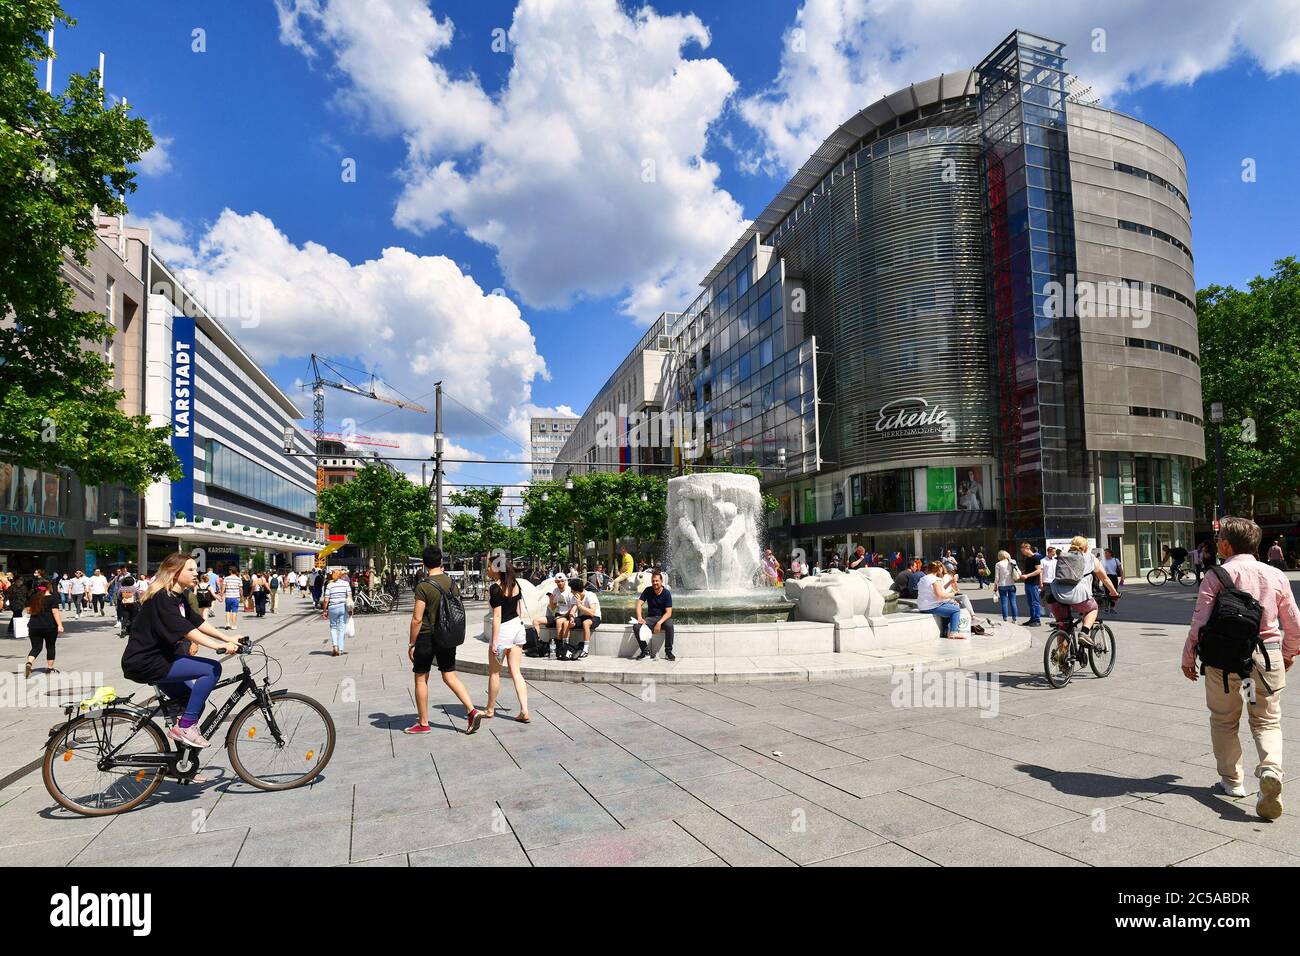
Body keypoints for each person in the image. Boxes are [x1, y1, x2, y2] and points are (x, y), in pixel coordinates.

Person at [1182, 516, 1300, 818]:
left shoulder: (1216, 576)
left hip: (1224, 663)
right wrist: (1287, 654)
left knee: (1224, 720)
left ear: (1224, 545)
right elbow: (1294, 624)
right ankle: (1270, 770)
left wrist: (1188, 657)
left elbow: (1200, 621)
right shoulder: (1275, 576)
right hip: (1265, 660)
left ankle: (1233, 782)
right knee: (1266, 721)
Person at [120, 553, 242, 749]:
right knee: (211, 670)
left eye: (196, 569)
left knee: (193, 702)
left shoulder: (179, 596)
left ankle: (180, 762)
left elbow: (198, 622)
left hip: (161, 659)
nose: (196, 573)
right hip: (147, 661)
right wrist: (218, 646)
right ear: (175, 573)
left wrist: (228, 638)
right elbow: (186, 629)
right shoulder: (163, 598)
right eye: (191, 570)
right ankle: (185, 727)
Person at [406, 546, 481, 735]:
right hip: (447, 635)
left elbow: (417, 618)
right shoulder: (451, 583)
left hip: (426, 637)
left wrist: (411, 643)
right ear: (441, 561)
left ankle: (423, 723)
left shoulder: (423, 586)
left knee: (421, 678)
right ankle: (471, 710)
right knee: (449, 674)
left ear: (423, 563)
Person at [1045, 536, 1119, 645]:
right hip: (1079, 596)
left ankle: (1060, 656)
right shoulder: (1090, 558)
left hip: (1056, 595)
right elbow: (1104, 578)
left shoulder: (1063, 557)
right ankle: (1084, 633)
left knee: (1063, 627)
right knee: (1092, 608)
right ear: (1085, 547)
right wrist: (1114, 593)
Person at [483, 555, 531, 722]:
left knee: (494, 673)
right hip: (517, 629)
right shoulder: (515, 584)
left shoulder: (495, 588)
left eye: (489, 566)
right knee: (516, 672)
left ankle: (490, 709)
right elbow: (519, 611)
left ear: (496, 569)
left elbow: (497, 617)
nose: (487, 569)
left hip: (503, 632)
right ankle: (524, 710)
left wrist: (495, 642)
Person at [916, 561, 965, 637]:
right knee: (956, 610)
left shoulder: (922, 578)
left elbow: (933, 595)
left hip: (922, 606)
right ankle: (954, 632)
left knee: (950, 606)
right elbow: (940, 595)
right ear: (938, 570)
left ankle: (945, 631)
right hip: (931, 607)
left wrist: (949, 601)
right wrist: (953, 595)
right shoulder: (935, 579)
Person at [634, 570, 675, 660]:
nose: (655, 583)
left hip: (663, 618)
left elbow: (669, 613)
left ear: (661, 581)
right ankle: (645, 651)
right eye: (653, 581)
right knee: (636, 627)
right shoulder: (648, 590)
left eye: (657, 581)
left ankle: (668, 651)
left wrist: (659, 623)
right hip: (651, 619)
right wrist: (640, 617)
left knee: (669, 624)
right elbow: (638, 604)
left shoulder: (666, 593)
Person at [23, 585, 62, 678]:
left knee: (36, 647)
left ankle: (29, 663)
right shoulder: (53, 598)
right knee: (50, 646)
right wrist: (60, 625)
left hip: (34, 626)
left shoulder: (33, 597)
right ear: (48, 588)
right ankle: (50, 668)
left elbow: (28, 611)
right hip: (50, 626)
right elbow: (55, 612)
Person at [321, 568, 352, 656]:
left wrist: (324, 611)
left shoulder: (329, 585)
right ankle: (341, 649)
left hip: (332, 608)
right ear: (341, 575)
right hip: (343, 607)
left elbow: (326, 600)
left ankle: (335, 646)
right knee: (341, 628)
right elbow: (349, 597)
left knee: (333, 627)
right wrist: (350, 610)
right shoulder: (346, 584)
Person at [567, 576, 600, 659]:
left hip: (595, 617)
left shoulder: (590, 595)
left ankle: (585, 649)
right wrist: (571, 618)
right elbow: (572, 611)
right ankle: (565, 645)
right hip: (583, 617)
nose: (571, 592)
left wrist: (579, 605)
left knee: (586, 623)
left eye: (572, 590)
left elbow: (592, 612)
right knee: (566, 623)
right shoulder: (575, 597)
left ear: (577, 591)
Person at [1018, 542, 1043, 627]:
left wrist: (1027, 575)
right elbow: (1029, 570)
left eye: (1023, 550)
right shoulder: (1027, 559)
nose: (1022, 552)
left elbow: (1039, 570)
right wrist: (1022, 573)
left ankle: (1037, 620)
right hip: (1028, 583)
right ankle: (1032, 619)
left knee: (1035, 602)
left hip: (1033, 583)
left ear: (1028, 548)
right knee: (1030, 602)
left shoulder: (1035, 558)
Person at [994, 550, 1019, 623]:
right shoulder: (1012, 562)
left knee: (1004, 603)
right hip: (1011, 584)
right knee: (1013, 602)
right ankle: (1015, 619)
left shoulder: (998, 564)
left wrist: (995, 585)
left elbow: (996, 577)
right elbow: (1018, 571)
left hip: (1002, 585)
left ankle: (1005, 619)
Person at [116, 570, 138, 637]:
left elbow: (118, 596)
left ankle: (123, 630)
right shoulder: (134, 588)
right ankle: (132, 631)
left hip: (124, 604)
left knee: (125, 618)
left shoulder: (121, 588)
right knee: (133, 617)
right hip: (133, 604)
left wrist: (122, 599)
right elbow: (138, 596)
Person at [222, 565, 242, 629]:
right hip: (236, 597)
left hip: (228, 596)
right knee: (234, 611)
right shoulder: (239, 579)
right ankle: (233, 625)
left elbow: (223, 588)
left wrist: (221, 594)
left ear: (230, 571)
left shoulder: (226, 578)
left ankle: (227, 623)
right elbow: (240, 589)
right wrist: (241, 596)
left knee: (227, 610)